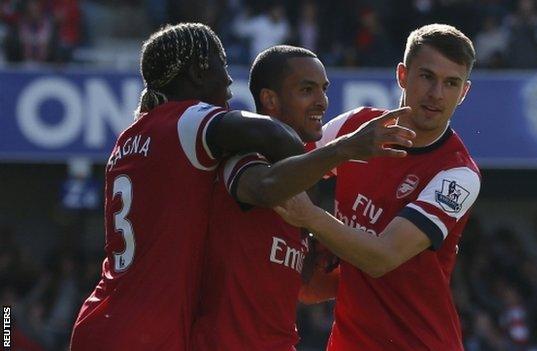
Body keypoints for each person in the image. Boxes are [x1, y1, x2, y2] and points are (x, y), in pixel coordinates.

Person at [70, 24, 414, 350]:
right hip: (150, 330)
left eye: (323, 89)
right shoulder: (200, 129)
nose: (229, 79)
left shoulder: (132, 138)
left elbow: (298, 283)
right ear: (198, 74)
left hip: (107, 315)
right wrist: (340, 151)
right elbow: (269, 149)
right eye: (221, 64)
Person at [191, 45, 415, 351]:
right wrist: (344, 148)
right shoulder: (242, 159)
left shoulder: (304, 178)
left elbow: (305, 289)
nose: (322, 102)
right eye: (307, 90)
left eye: (323, 89)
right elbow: (268, 186)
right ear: (270, 99)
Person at [275, 24, 482, 350]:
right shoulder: (356, 126)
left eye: (451, 83)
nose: (436, 94)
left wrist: (310, 218)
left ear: (464, 92)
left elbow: (382, 257)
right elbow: (288, 171)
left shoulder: (459, 175)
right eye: (427, 76)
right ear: (402, 74)